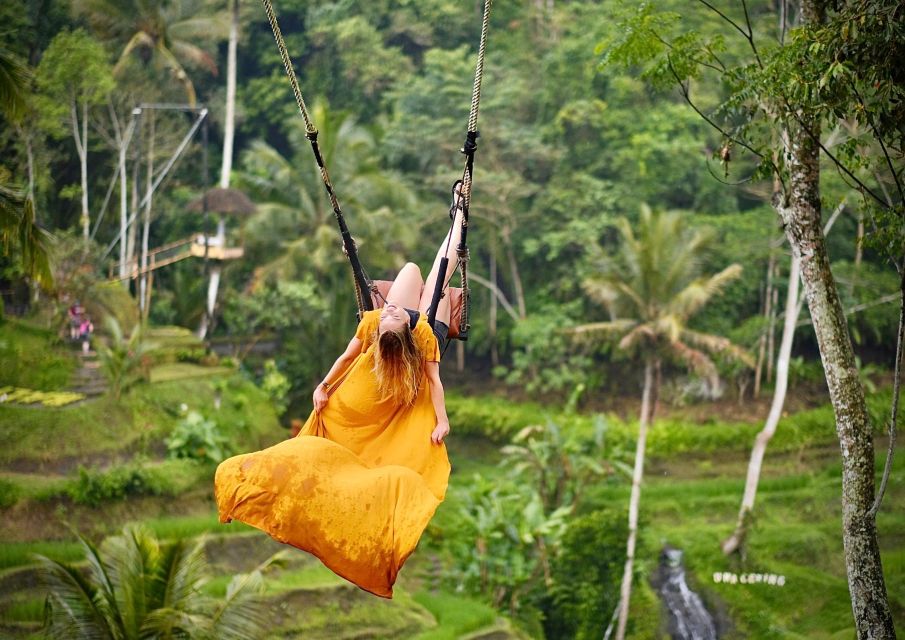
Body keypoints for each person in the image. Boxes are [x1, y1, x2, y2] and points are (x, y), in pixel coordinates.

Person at [215, 188, 466, 598]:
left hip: (418, 334)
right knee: (426, 271)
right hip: (419, 333)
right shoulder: (397, 329)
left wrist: (441, 420)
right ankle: (458, 217)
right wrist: (326, 386)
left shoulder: (401, 329)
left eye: (389, 313)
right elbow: (363, 363)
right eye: (387, 312)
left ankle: (458, 215)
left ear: (398, 323)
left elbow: (414, 377)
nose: (386, 310)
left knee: (426, 268)